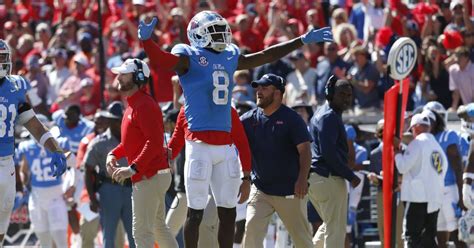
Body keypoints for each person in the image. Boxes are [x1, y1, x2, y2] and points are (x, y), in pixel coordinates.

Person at [139, 10, 333, 248]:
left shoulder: (229, 55)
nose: (221, 36)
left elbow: (264, 56)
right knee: (195, 210)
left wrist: (300, 40)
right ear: (197, 35)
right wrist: (148, 43)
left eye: (222, 31)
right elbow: (162, 60)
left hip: (225, 145)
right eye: (215, 32)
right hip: (199, 144)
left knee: (228, 211)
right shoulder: (188, 55)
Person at [0, 39, 67, 246]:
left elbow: (33, 124)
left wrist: (56, 150)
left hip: (6, 163)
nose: (2, 62)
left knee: (2, 220)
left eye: (3, 57)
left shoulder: (16, 86)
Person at [106, 59, 177, 248]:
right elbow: (131, 142)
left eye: (124, 73)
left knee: (141, 231)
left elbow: (153, 142)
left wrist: (133, 168)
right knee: (158, 227)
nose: (119, 77)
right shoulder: (135, 104)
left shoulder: (143, 104)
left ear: (138, 77)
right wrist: (113, 154)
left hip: (149, 174)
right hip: (152, 173)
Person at [240, 73, 313, 248]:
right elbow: (238, 149)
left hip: (290, 190)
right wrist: (246, 179)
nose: (259, 91)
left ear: (278, 93)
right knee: (251, 231)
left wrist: (302, 179)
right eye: (258, 87)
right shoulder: (248, 120)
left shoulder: (292, 119)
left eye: (265, 88)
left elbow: (305, 151)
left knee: (302, 239)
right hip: (261, 188)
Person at [167, 105, 252, 247]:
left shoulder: (227, 109)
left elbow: (242, 142)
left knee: (227, 214)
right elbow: (175, 143)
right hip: (206, 156)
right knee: (195, 214)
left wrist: (247, 177)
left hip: (218, 157)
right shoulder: (187, 109)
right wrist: (160, 161)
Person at [308, 76, 361, 248]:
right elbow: (328, 153)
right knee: (336, 231)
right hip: (328, 177)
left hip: (318, 179)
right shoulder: (329, 116)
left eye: (349, 95)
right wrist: (350, 175)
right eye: (342, 94)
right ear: (331, 94)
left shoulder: (322, 113)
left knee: (329, 226)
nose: (346, 98)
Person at [83, 101, 135, 248]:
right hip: (109, 189)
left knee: (135, 234)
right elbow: (88, 170)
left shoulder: (133, 138)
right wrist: (92, 198)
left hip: (131, 188)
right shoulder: (98, 142)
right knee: (109, 234)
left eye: (118, 119)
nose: (116, 123)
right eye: (113, 120)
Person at [393, 113, 447, 247]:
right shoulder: (438, 148)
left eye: (411, 130)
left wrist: (397, 152)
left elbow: (402, 167)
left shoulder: (417, 143)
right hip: (435, 199)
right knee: (429, 239)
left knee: (412, 237)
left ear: (415, 127)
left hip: (418, 199)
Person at [17, 116, 71, 248]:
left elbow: (71, 167)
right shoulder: (26, 147)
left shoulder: (60, 144)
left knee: (61, 240)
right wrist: (22, 186)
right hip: (37, 197)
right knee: (44, 241)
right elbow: (24, 170)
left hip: (56, 196)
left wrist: (71, 186)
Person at [423, 102, 466, 248]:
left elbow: (458, 168)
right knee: (439, 234)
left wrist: (461, 196)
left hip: (449, 190)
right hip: (434, 192)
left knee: (456, 233)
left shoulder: (449, 136)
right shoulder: (424, 140)